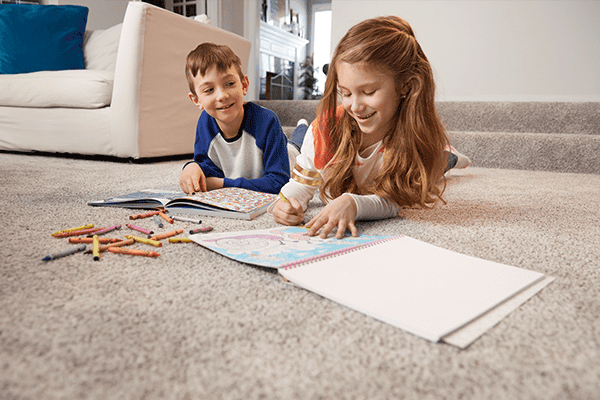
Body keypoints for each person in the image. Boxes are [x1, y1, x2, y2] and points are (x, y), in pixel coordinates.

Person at [271, 16, 470, 238]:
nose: (355, 106)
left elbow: (395, 200)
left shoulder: (416, 136)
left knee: (438, 166)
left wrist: (354, 203)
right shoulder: (325, 130)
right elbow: (300, 185)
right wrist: (285, 203)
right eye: (345, 93)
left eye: (368, 92)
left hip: (429, 151)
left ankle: (451, 155)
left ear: (404, 85)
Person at [179, 43, 293, 195]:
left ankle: (301, 128)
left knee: (296, 145)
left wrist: (224, 184)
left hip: (290, 156)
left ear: (244, 85)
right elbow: (208, 167)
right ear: (196, 100)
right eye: (209, 90)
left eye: (230, 84)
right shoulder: (205, 122)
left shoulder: (267, 121)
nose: (222, 96)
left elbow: (278, 182)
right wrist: (192, 166)